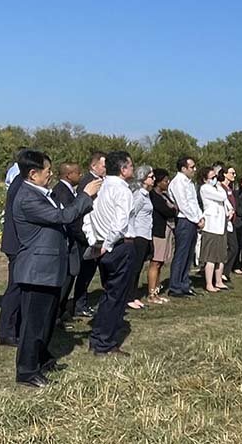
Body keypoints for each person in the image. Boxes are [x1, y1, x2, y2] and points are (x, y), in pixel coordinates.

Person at [9, 150, 99, 388]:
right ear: (32, 174)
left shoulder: (42, 193)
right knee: (34, 323)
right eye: (47, 171)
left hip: (49, 269)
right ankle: (27, 370)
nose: (50, 175)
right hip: (37, 270)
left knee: (47, 319)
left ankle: (42, 357)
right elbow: (64, 216)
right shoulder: (28, 197)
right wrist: (85, 196)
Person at [83, 151, 136, 356]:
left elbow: (90, 216)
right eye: (130, 165)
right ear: (123, 169)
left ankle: (100, 336)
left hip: (106, 246)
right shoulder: (122, 190)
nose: (132, 168)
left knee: (109, 294)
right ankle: (104, 342)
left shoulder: (102, 186)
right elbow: (121, 223)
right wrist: (108, 243)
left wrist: (95, 240)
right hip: (119, 246)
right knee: (116, 296)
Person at [0, 148, 32, 346]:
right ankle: (7, 331)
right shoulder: (20, 185)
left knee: (17, 285)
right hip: (17, 242)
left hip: (15, 241)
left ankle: (12, 327)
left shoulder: (19, 182)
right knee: (16, 287)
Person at [70, 151, 107, 318]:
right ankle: (79, 304)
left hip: (95, 232)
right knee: (85, 272)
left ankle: (81, 303)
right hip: (86, 233)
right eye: (104, 165)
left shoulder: (100, 181)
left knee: (90, 271)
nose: (106, 169)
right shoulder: (89, 182)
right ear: (94, 166)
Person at [51, 163, 90, 324]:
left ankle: (61, 312)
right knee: (65, 279)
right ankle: (55, 314)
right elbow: (70, 219)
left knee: (71, 277)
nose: (81, 176)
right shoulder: (61, 191)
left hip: (75, 241)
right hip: (70, 241)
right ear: (68, 175)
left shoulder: (69, 191)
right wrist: (84, 238)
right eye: (78, 173)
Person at [167, 156, 202, 298]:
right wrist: (195, 219)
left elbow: (194, 202)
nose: (194, 170)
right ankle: (175, 286)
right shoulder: (177, 183)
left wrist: (200, 217)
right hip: (184, 220)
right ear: (183, 168)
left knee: (189, 254)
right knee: (181, 254)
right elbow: (183, 205)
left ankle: (184, 283)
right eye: (191, 167)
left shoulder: (189, 183)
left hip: (193, 220)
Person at [125, 165, 155, 309]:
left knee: (139, 267)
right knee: (134, 267)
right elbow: (132, 214)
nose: (153, 179)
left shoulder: (146, 195)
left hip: (146, 234)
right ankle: (128, 296)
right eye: (151, 177)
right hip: (138, 234)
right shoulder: (139, 195)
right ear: (143, 178)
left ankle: (134, 295)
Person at [199, 164, 232, 292]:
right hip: (211, 226)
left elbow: (226, 201)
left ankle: (218, 281)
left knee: (221, 256)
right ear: (204, 178)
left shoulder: (216, 187)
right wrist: (218, 186)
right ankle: (209, 283)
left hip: (221, 225)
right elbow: (223, 197)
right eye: (212, 177)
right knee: (211, 257)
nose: (215, 179)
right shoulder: (205, 188)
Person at [147, 168, 175, 304]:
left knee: (161, 262)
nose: (167, 183)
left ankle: (156, 291)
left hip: (167, 231)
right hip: (158, 232)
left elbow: (174, 208)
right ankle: (151, 293)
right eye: (165, 181)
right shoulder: (154, 196)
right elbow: (167, 211)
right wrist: (173, 210)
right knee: (155, 262)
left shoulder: (164, 195)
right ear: (158, 182)